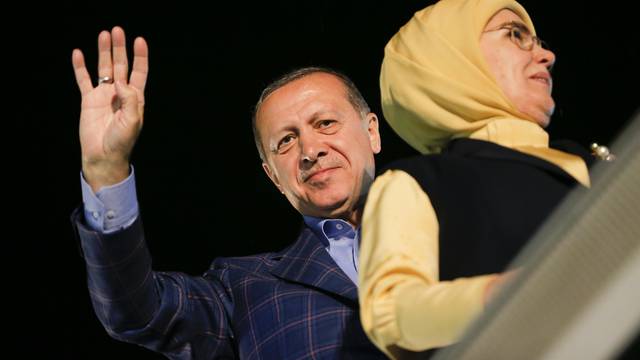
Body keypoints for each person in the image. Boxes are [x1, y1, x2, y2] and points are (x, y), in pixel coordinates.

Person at [70, 26, 388, 358]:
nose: (309, 150)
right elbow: (136, 309)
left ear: (372, 133)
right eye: (286, 141)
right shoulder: (242, 288)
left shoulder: (445, 222)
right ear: (274, 177)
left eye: (325, 123)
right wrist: (105, 169)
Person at [357, 0, 605, 358]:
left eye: (539, 42)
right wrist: (515, 293)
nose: (546, 57)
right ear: (447, 61)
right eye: (515, 35)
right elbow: (390, 312)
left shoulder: (593, 161)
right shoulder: (421, 182)